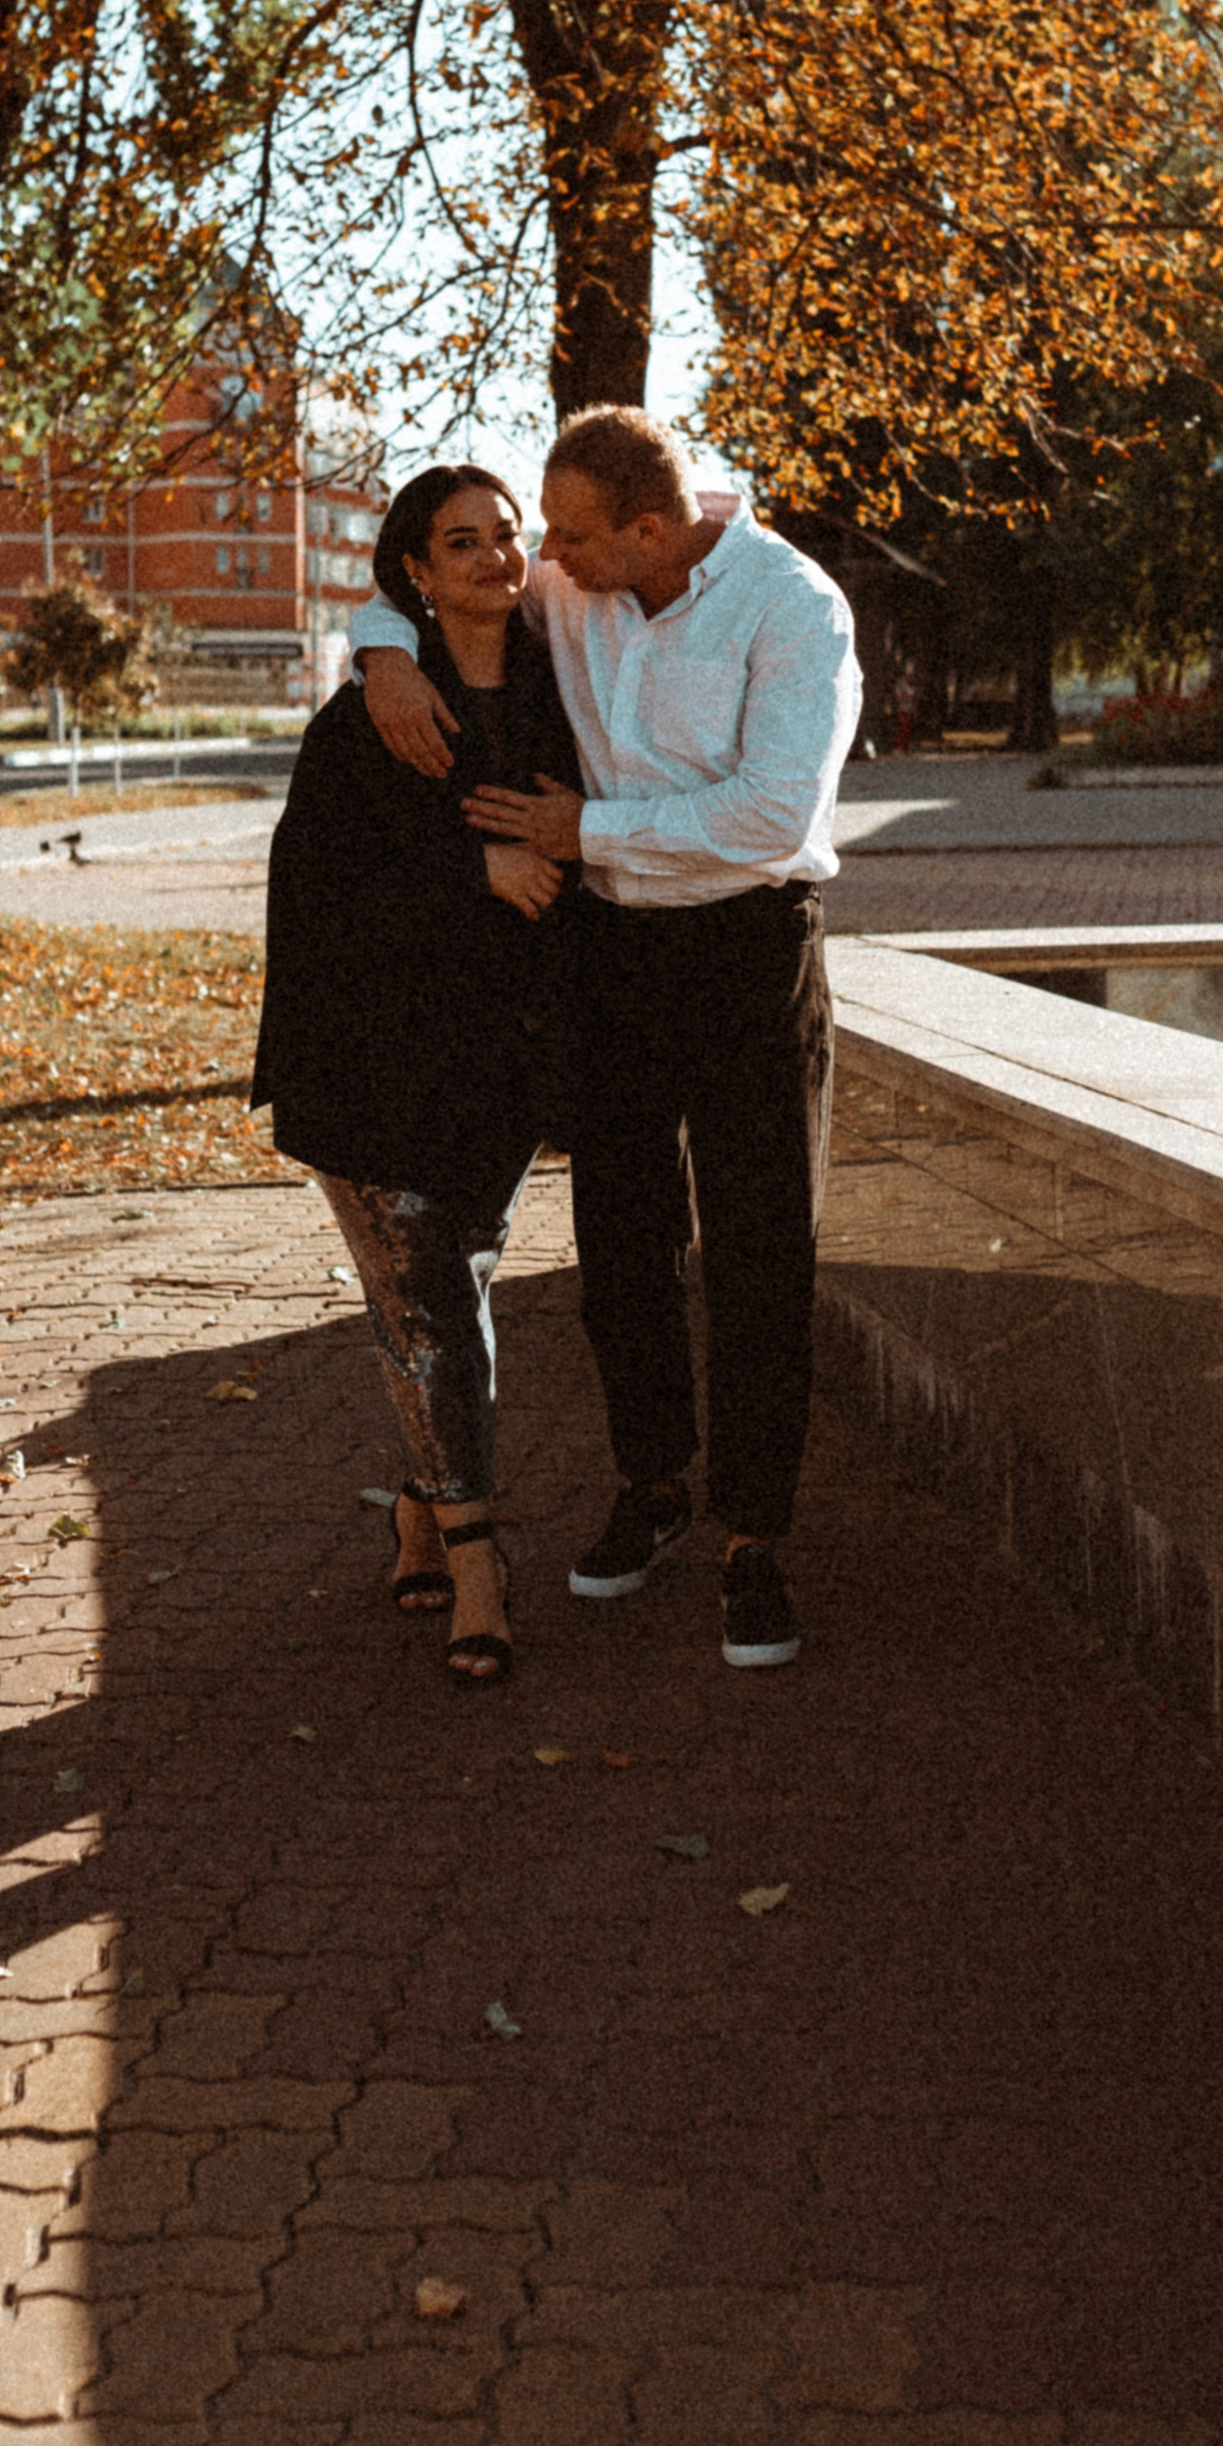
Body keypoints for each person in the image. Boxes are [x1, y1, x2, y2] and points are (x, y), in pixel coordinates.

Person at [350, 406, 862, 1671]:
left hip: (748, 949)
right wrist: (381, 656)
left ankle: (755, 1539)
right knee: (621, 1243)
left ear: (647, 528)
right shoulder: (580, 583)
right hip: (615, 955)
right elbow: (434, 594)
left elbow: (769, 813)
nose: (544, 561)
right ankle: (653, 1485)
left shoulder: (794, 608)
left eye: (569, 537)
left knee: (759, 1248)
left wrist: (585, 832)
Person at [250, 465, 585, 1685]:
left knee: (448, 1299)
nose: (496, 557)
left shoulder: (565, 698)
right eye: (462, 541)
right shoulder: (361, 724)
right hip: (368, 1071)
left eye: (506, 534)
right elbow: (314, 900)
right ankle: (479, 1563)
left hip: (498, 1069)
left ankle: (419, 1503)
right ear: (415, 572)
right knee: (435, 1309)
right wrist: (472, 873)